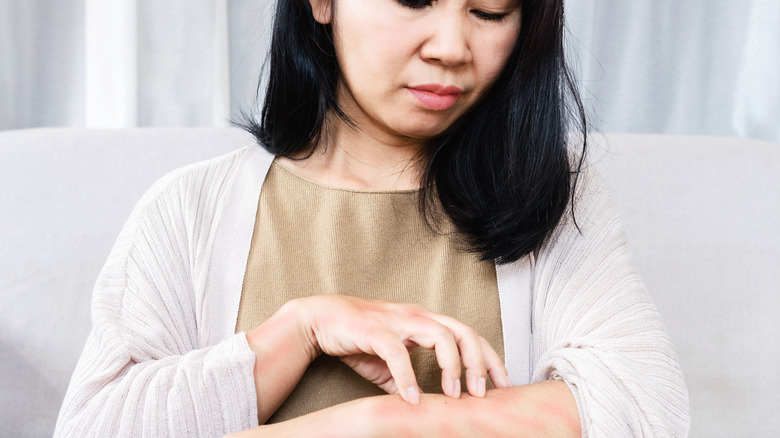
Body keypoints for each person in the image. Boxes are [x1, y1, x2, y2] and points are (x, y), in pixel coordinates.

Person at [55, 0, 690, 436]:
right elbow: (93, 428)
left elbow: (644, 409)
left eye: (491, 11)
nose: (451, 47)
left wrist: (373, 424)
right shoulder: (192, 209)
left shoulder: (549, 194)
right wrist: (296, 332)